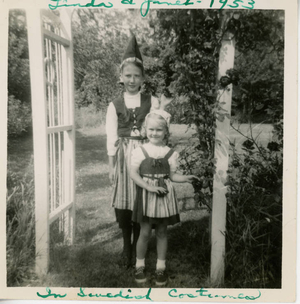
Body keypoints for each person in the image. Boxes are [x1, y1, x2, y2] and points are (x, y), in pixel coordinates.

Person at [106, 35, 171, 268]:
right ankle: (126, 244)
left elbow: (160, 124)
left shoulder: (151, 100)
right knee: (123, 203)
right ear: (121, 78)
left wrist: (162, 110)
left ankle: (137, 245)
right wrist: (112, 166)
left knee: (139, 201)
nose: (132, 80)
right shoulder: (114, 105)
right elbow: (111, 137)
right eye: (128, 76)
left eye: (136, 76)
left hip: (144, 154)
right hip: (124, 156)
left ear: (143, 78)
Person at [130, 111, 199, 286]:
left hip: (164, 197)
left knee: (161, 232)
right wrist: (148, 187)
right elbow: (133, 173)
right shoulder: (140, 151)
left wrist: (186, 178)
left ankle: (160, 268)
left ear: (166, 132)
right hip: (147, 195)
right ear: (145, 130)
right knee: (144, 232)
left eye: (159, 130)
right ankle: (139, 266)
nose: (154, 133)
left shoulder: (170, 153)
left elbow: (173, 176)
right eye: (151, 129)